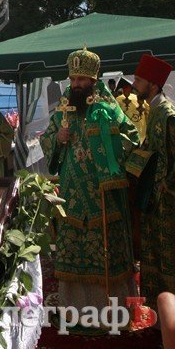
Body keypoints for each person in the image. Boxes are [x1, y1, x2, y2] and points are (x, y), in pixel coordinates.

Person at [40, 47, 139, 323]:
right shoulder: (64, 109)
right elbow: (47, 139)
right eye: (72, 80)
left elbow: (132, 138)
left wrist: (108, 136)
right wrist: (58, 138)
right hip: (72, 194)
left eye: (81, 80)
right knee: (74, 251)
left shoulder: (107, 108)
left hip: (101, 194)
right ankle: (77, 311)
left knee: (105, 250)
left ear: (93, 81)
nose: (75, 85)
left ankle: (110, 313)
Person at [132, 53, 175, 312]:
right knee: (154, 252)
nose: (135, 84)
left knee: (169, 255)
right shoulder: (154, 109)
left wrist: (166, 186)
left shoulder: (168, 113)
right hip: (154, 197)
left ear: (154, 85)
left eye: (139, 79)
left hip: (167, 199)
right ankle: (160, 313)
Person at [115, 76, 149, 142]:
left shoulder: (118, 100)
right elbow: (148, 115)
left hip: (127, 136)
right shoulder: (142, 100)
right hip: (142, 135)